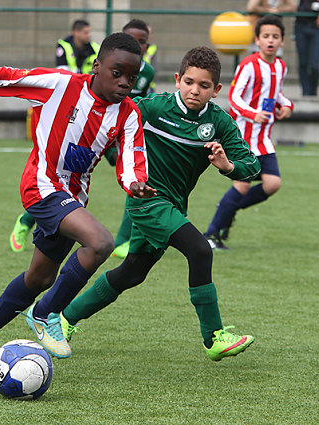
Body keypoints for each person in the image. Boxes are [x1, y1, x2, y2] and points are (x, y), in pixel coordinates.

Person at [0, 32, 157, 368]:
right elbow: (9, 79)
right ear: (97, 66)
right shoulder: (61, 85)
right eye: (117, 72)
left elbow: (132, 160)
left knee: (40, 278)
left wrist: (135, 183)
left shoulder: (128, 114)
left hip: (73, 197)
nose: (125, 82)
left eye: (132, 77)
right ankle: (46, 312)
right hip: (42, 185)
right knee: (100, 243)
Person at [58, 46, 260, 362]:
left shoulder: (219, 122)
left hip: (174, 206)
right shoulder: (152, 108)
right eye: (189, 82)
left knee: (131, 274)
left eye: (204, 86)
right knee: (200, 250)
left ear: (216, 90)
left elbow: (251, 164)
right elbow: (113, 122)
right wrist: (115, 160)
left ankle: (65, 318)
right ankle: (214, 338)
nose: (195, 90)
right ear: (178, 79)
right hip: (146, 202)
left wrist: (227, 166)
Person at [11, 19, 102, 254]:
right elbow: (64, 74)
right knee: (55, 178)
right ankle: (26, 223)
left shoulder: (95, 51)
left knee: (66, 181)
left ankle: (33, 224)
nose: (89, 35)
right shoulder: (64, 46)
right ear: (75, 32)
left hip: (89, 115)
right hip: (68, 110)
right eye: (85, 31)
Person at [205, 15, 293, 249]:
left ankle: (229, 208)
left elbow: (277, 93)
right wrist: (253, 113)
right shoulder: (249, 65)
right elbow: (234, 98)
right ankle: (211, 234)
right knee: (242, 185)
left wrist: (286, 105)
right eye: (266, 36)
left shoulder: (281, 66)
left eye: (275, 37)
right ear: (257, 40)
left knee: (272, 184)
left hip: (263, 139)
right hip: (243, 137)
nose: (270, 41)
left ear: (282, 41)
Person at [111, 18, 155, 259]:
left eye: (143, 42)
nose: (139, 46)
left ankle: (122, 241)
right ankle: (27, 220)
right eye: (133, 41)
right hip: (99, 129)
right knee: (69, 175)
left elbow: (140, 102)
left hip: (125, 133)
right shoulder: (107, 63)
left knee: (138, 179)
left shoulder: (147, 72)